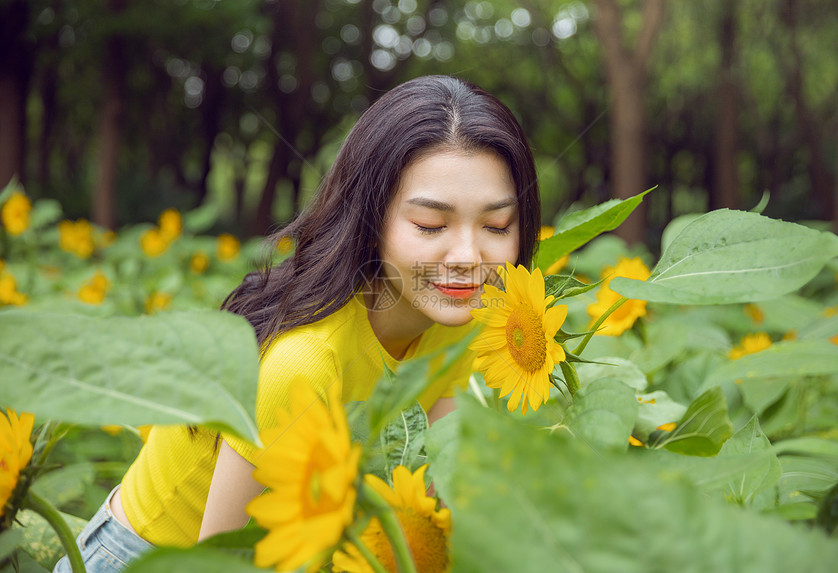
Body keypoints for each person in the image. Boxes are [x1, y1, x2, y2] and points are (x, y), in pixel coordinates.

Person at [53, 74, 541, 572]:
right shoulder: (304, 360)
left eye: (496, 226)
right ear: (370, 219)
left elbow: (432, 492)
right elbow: (224, 562)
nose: (467, 257)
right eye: (431, 226)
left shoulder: (460, 324)